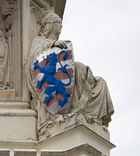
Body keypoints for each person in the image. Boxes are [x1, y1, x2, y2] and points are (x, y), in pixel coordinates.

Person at [26, 10, 114, 138]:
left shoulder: (58, 44)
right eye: (58, 24)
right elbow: (35, 59)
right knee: (78, 67)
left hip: (61, 79)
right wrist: (52, 44)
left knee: (100, 82)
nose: (61, 27)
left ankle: (83, 110)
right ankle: (70, 109)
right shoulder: (39, 41)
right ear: (50, 25)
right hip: (51, 83)